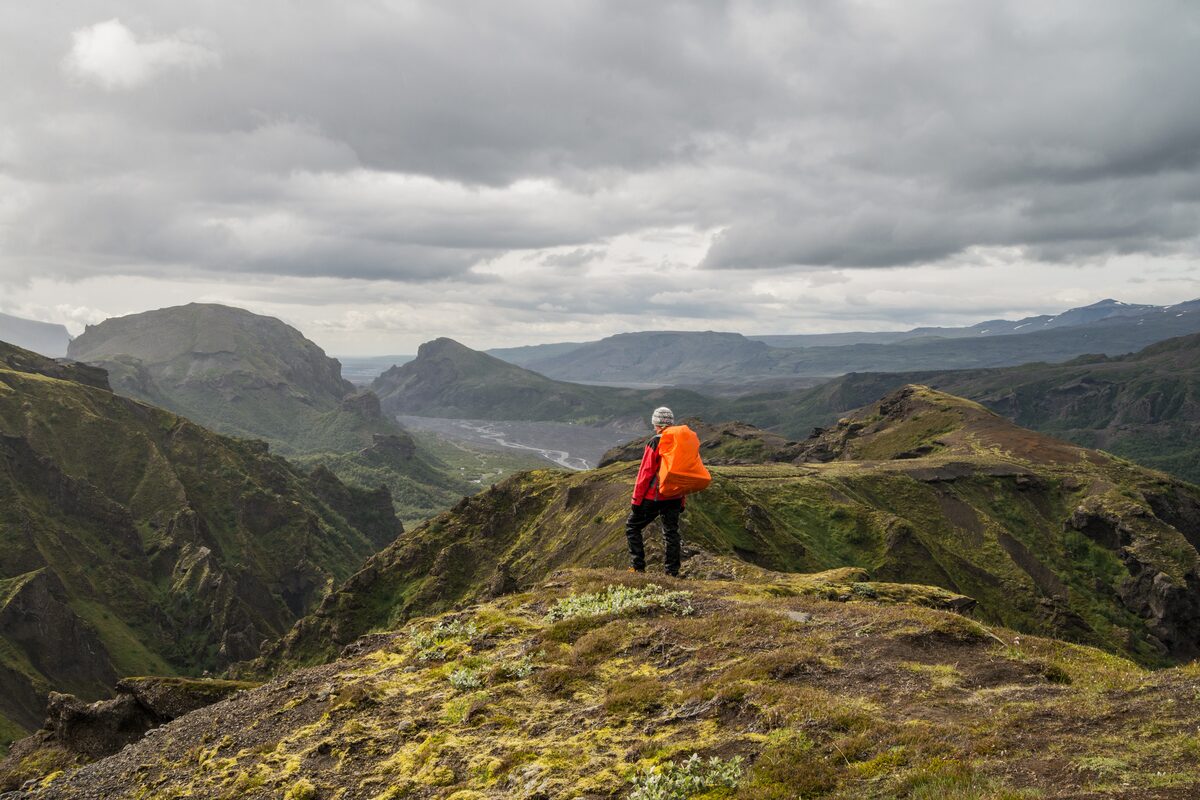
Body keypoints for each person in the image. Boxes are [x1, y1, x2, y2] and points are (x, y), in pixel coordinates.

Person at [625, 406, 684, 577]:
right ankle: (672, 572)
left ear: (656, 423)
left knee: (632, 527)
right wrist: (682, 500)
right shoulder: (680, 442)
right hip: (675, 495)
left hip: (654, 497)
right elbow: (682, 474)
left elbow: (645, 473)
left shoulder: (655, 442)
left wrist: (636, 500)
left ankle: (638, 567)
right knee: (671, 532)